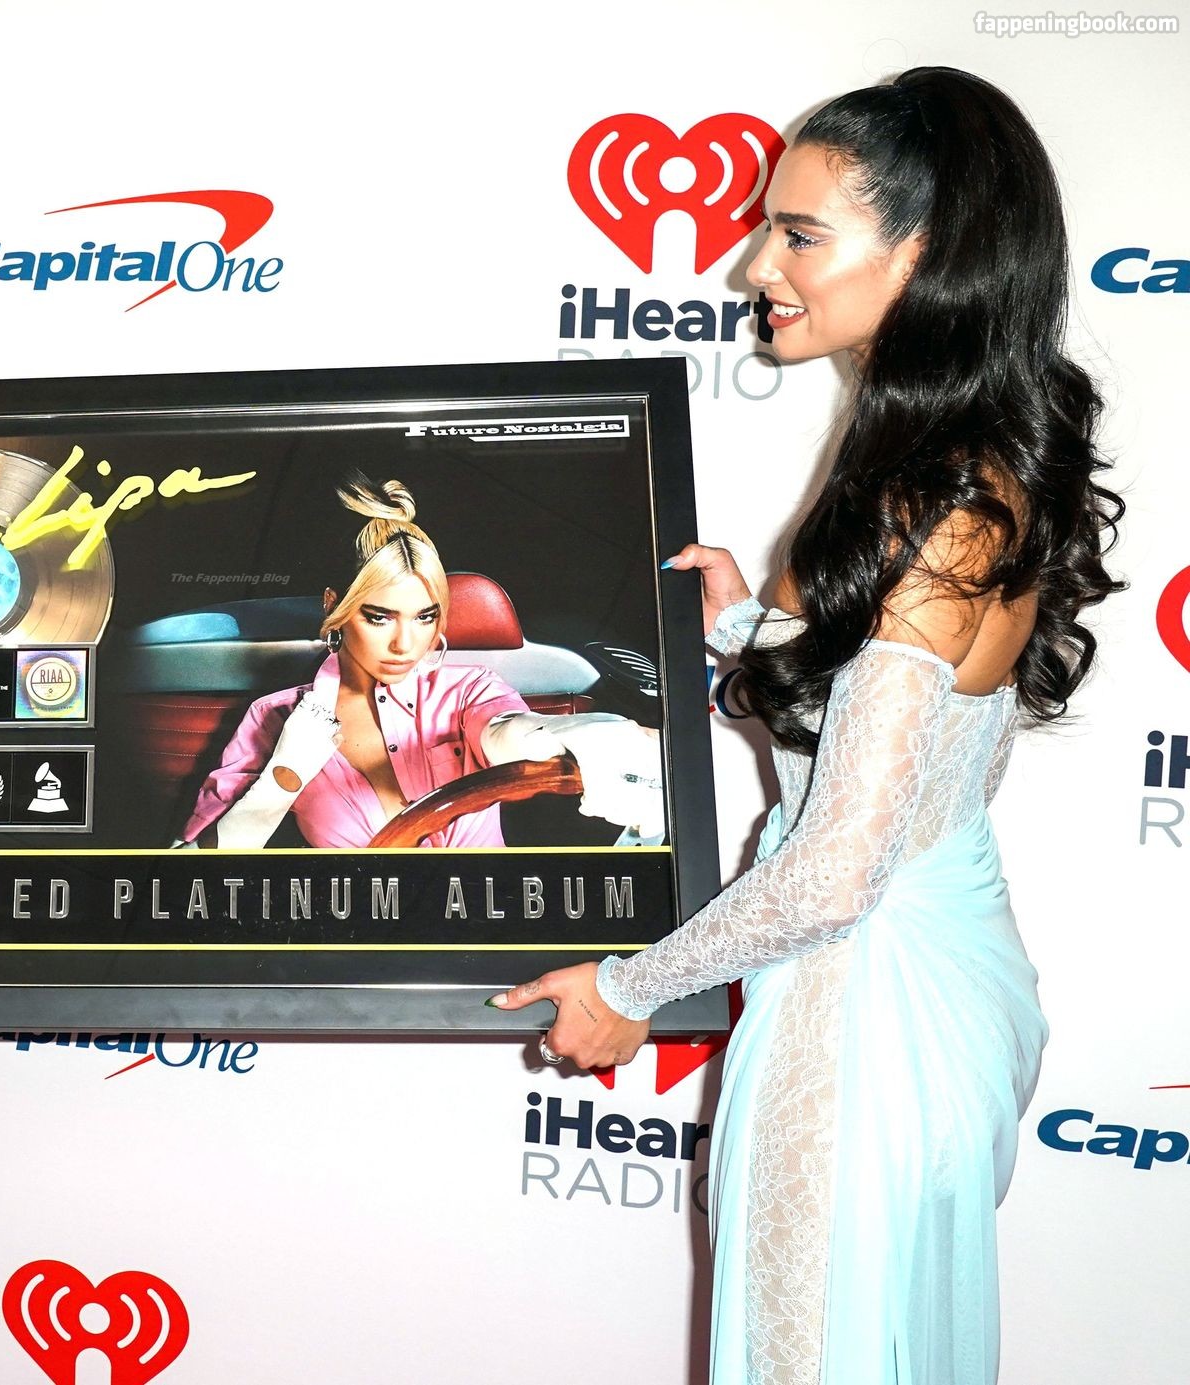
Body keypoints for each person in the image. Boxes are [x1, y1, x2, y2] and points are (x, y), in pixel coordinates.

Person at [491, 68, 1121, 1383]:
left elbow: (836, 868)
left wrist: (626, 990)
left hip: (860, 1017)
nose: (755, 265)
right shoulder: (958, 463)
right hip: (919, 984)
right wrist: (750, 626)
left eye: (798, 234)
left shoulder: (937, 501)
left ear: (923, 256)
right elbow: (924, 731)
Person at [179, 474, 663, 849]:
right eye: (379, 617)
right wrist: (283, 778)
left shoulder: (470, 689)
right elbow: (192, 870)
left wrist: (580, 734)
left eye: (425, 617)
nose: (406, 644)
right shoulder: (274, 716)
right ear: (334, 607)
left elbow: (506, 730)